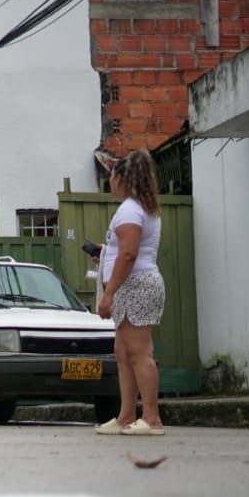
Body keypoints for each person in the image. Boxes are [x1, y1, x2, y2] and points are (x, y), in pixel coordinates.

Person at [95, 149, 166, 436]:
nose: (109, 182)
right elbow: (123, 250)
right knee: (123, 353)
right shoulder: (140, 208)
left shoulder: (129, 210)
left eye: (111, 176)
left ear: (121, 178)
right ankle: (125, 416)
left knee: (139, 353)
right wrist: (104, 254)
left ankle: (151, 418)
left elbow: (128, 254)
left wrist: (108, 293)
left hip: (136, 285)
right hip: (134, 285)